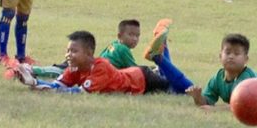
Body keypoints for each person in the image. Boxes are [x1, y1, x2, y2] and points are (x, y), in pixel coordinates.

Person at [14, 29, 194, 96]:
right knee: (173, 83)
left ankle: (160, 55)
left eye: (74, 51)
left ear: (89, 53)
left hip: (142, 80)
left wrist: (41, 86)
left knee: (182, 90)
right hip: (135, 74)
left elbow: (79, 93)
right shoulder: (74, 68)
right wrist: (34, 82)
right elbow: (57, 85)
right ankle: (161, 47)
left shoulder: (100, 68)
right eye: (68, 51)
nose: (68, 55)